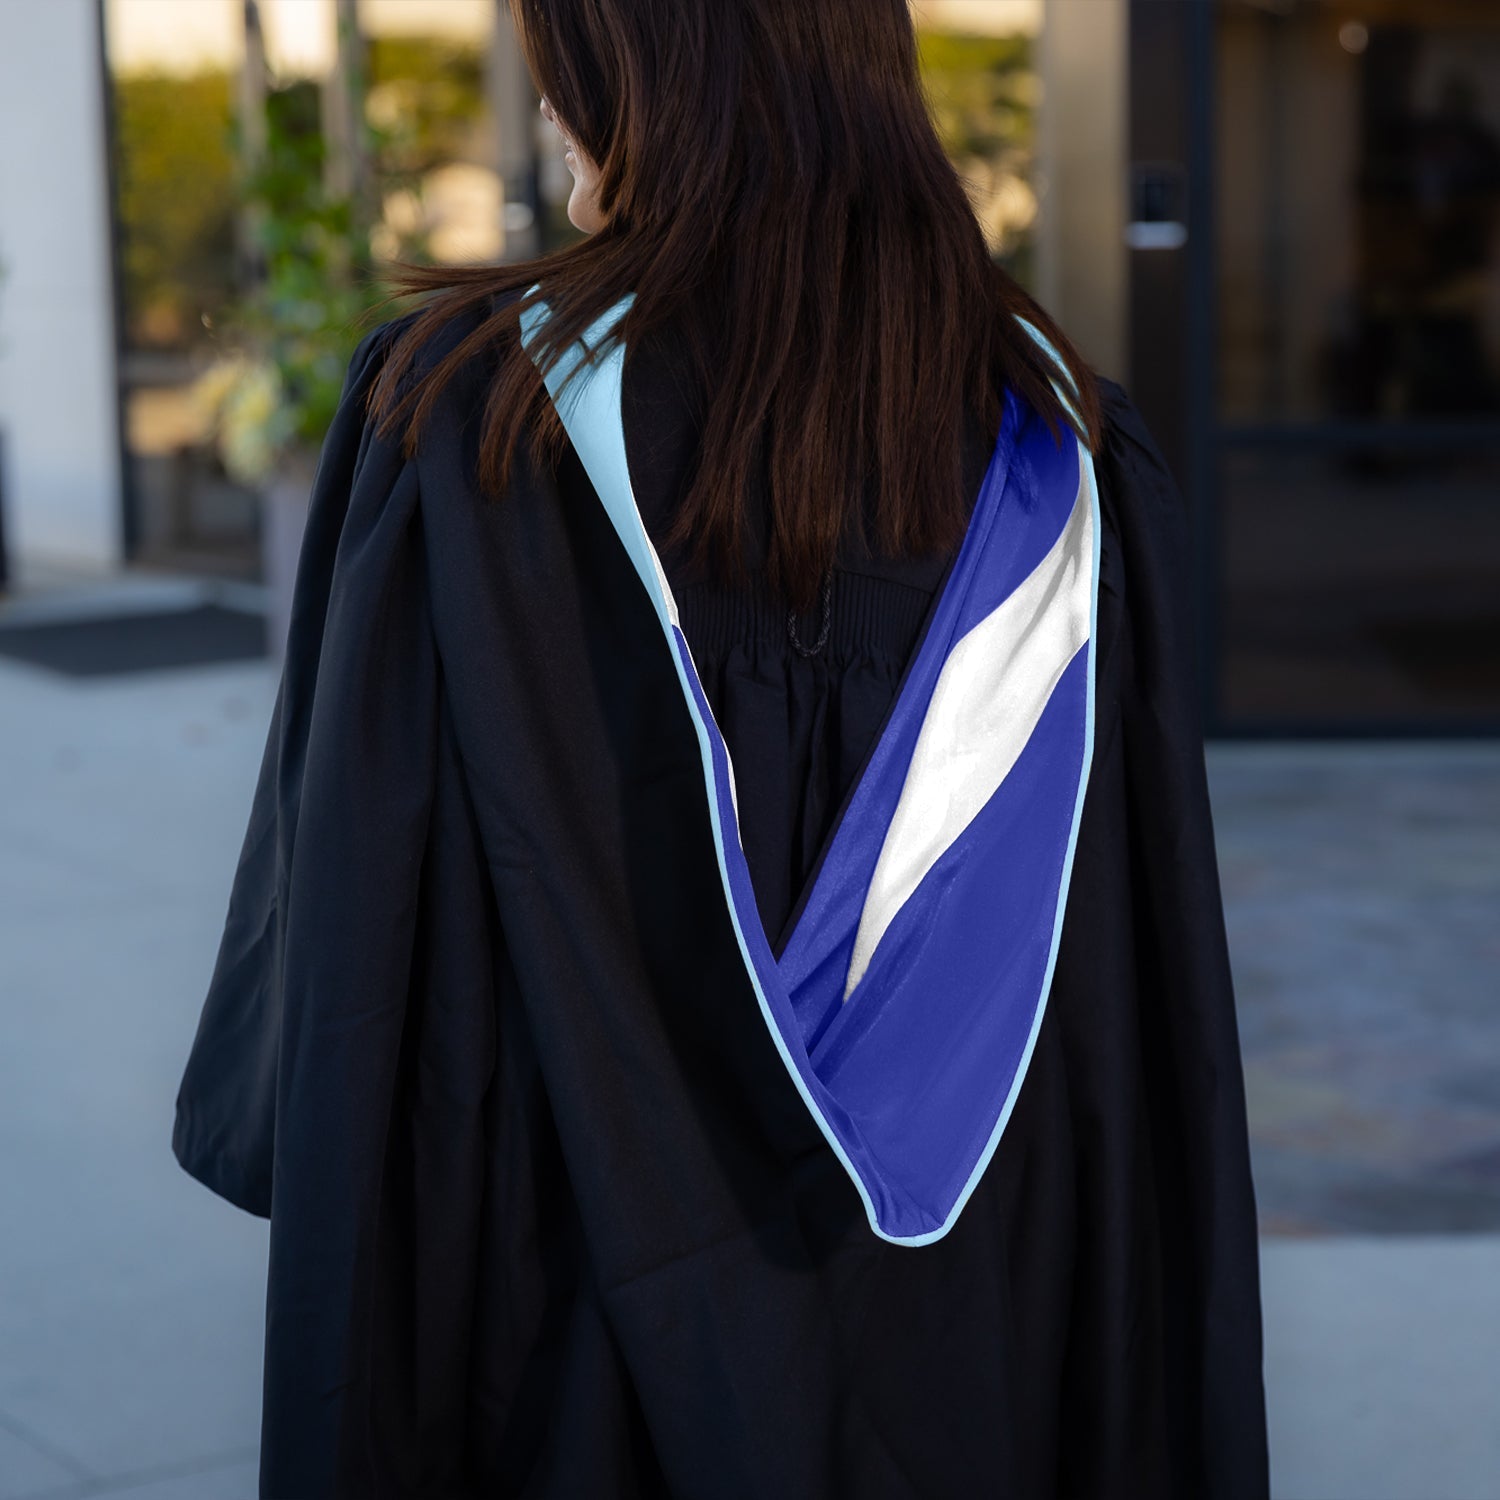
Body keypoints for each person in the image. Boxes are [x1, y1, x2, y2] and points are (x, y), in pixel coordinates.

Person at [171, 1, 1269, 1495]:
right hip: (990, 1322)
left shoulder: (469, 426)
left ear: (653, 74)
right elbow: (1139, 1004)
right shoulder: (1056, 439)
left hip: (563, 1316)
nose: (546, 105)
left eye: (565, 59)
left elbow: (358, 945)